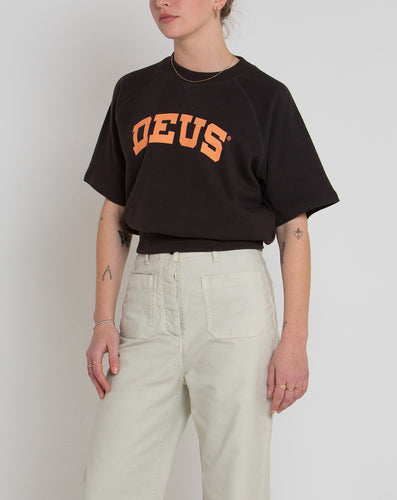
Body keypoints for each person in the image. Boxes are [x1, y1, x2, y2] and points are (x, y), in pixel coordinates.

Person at [81, 1, 340, 499]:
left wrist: (295, 338)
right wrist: (103, 319)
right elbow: (114, 215)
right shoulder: (133, 91)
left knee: (236, 485)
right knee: (110, 484)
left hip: (234, 300)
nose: (163, 2)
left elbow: (294, 228)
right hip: (147, 301)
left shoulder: (264, 97)